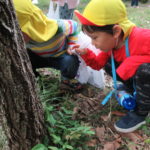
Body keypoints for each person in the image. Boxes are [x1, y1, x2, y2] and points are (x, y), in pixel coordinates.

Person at [68, 0, 150, 133]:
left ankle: (141, 112)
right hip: (139, 81)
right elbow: (97, 64)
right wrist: (86, 54)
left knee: (145, 70)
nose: (93, 43)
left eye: (95, 38)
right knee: (108, 64)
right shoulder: (111, 47)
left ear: (116, 31)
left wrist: (133, 63)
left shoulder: (142, 37)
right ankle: (130, 89)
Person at [13, 0, 82, 90]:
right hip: (39, 57)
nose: (16, 37)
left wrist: (71, 45)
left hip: (60, 56)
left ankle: (67, 79)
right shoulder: (24, 41)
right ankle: (34, 78)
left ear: (32, 26)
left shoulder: (57, 27)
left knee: (70, 60)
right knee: (23, 57)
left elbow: (75, 25)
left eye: (19, 32)